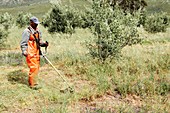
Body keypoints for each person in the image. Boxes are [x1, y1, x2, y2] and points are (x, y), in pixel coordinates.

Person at [20, 16, 48, 89]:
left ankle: (34, 82)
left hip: (37, 51)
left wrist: (44, 44)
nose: (36, 25)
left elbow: (39, 41)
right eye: (35, 23)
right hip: (30, 52)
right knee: (33, 67)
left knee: (37, 67)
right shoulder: (27, 31)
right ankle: (33, 85)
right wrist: (24, 51)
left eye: (37, 23)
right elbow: (23, 43)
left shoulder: (38, 31)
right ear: (31, 23)